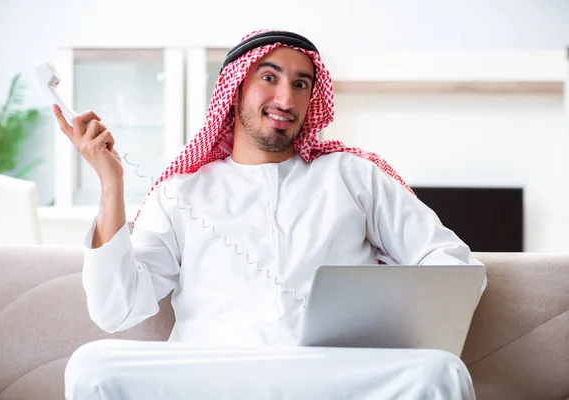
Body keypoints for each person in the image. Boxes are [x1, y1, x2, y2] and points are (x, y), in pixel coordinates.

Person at [56, 29, 487, 400]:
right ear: (236, 88)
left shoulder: (352, 175)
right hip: (214, 372)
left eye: (302, 84)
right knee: (91, 366)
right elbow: (115, 309)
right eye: (269, 78)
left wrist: (389, 301)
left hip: (329, 373)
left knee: (441, 374)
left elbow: (451, 263)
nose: (286, 98)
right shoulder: (180, 192)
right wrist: (111, 184)